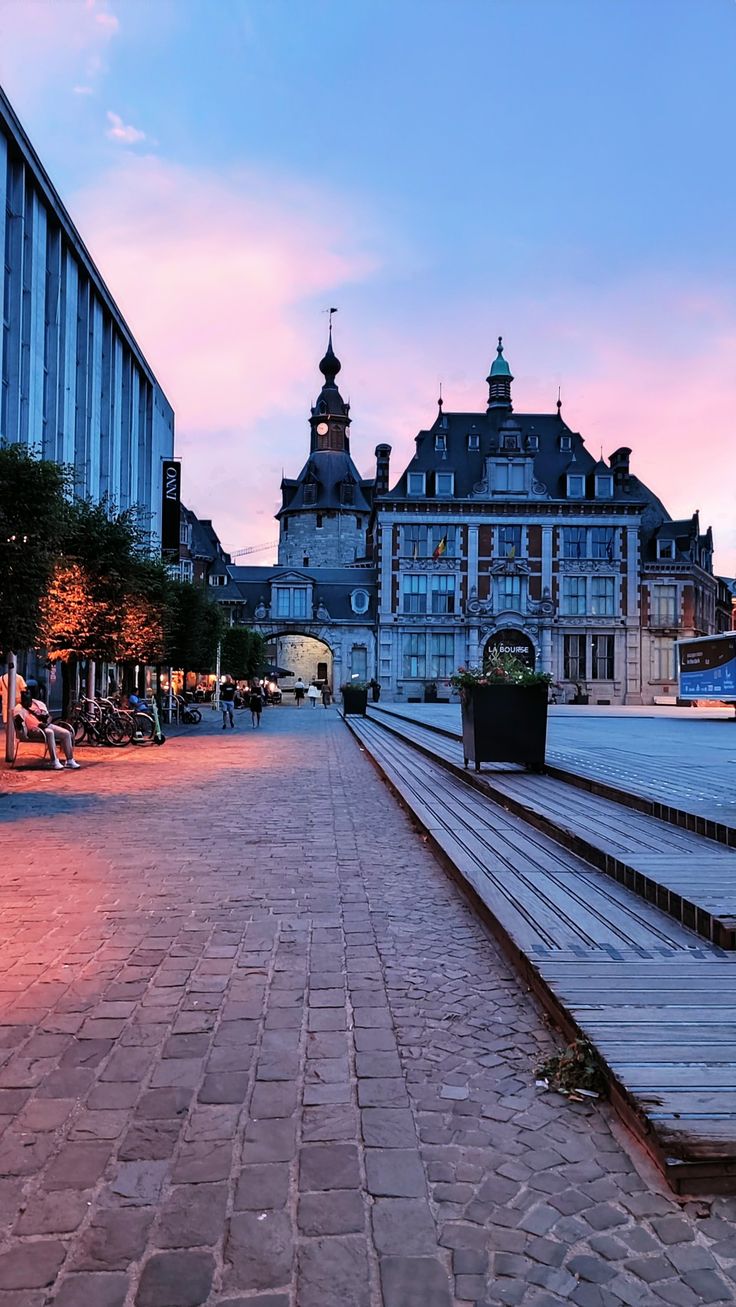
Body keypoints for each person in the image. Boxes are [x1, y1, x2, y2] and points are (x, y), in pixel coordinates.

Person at [14, 690, 80, 770]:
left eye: (29, 700)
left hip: (45, 725)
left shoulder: (37, 704)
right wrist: (37, 725)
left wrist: (46, 719)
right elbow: (20, 725)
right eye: (25, 701)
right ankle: (54, 760)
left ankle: (70, 760)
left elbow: (49, 717)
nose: (28, 703)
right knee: (50, 732)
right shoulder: (19, 709)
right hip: (33, 730)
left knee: (66, 733)